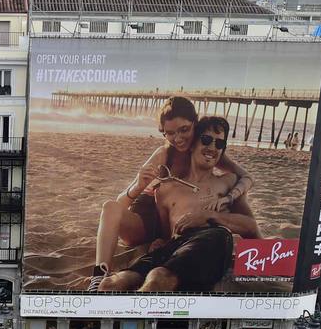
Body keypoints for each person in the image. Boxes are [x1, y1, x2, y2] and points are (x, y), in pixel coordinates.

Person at [91, 96, 252, 287]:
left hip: (175, 223)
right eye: (170, 133)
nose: (178, 138)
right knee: (110, 207)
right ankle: (98, 276)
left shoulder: (207, 149)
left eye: (184, 130)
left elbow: (246, 177)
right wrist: (137, 187)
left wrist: (229, 197)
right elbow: (120, 204)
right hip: (147, 217)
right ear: (164, 133)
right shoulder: (164, 154)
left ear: (195, 124)